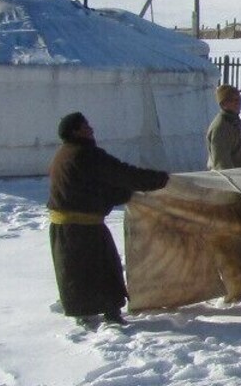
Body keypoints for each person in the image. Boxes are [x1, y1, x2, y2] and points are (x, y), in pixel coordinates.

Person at [47, 112, 170, 328]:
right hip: (82, 228)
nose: (91, 128)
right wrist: (162, 180)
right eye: (86, 125)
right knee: (101, 269)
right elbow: (122, 174)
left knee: (77, 271)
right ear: (76, 131)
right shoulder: (85, 155)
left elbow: (95, 187)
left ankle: (85, 311)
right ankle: (108, 313)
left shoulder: (65, 154)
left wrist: (121, 195)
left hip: (67, 228)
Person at [205, 85, 241, 170]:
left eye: (239, 99)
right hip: (232, 179)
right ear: (223, 104)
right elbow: (222, 164)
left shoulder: (234, 121)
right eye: (233, 100)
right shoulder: (221, 128)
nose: (238, 103)